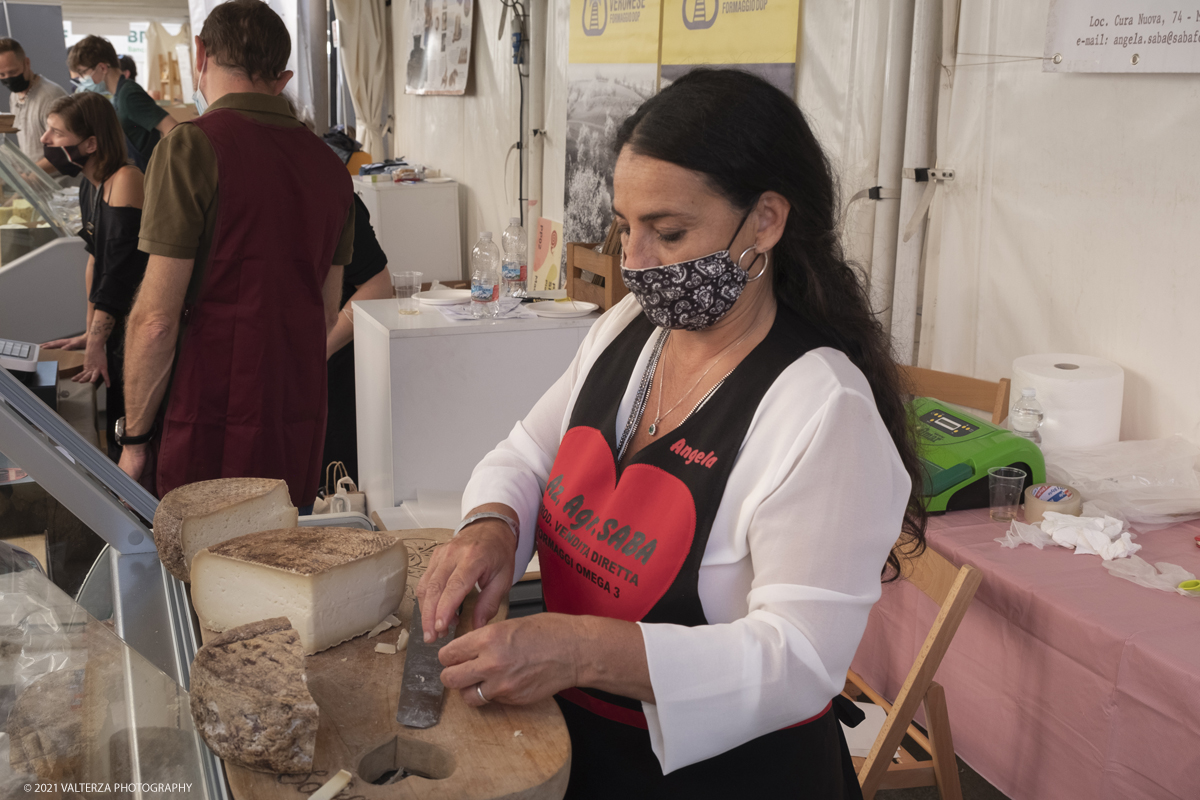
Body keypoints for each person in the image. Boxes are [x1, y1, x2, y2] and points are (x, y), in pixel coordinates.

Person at [417, 69, 928, 799]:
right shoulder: (631, 331)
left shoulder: (821, 409)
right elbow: (530, 453)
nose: (634, 261)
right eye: (626, 225)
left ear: (766, 221)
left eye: (669, 232)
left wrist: (579, 649)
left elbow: (799, 659)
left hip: (732, 778)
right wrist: (493, 526)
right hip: (576, 747)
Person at [118, 0, 354, 510]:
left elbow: (156, 320)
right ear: (283, 76)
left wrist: (133, 439)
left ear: (200, 53)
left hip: (206, 411)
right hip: (295, 414)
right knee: (277, 569)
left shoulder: (191, 148)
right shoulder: (331, 167)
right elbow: (325, 312)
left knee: (200, 572)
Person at [38, 93, 148, 462]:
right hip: (114, 322)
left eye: (56, 132)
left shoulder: (126, 180)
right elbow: (95, 261)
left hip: (136, 326)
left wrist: (98, 343)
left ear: (91, 143)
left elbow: (117, 274)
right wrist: (90, 333)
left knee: (131, 428)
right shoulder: (91, 181)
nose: (45, 140)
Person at [323, 192, 391, 485]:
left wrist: (319, 351)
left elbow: (378, 284)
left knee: (333, 487)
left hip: (330, 373)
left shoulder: (332, 192)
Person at [67, 35, 176, 165]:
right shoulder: (118, 95)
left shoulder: (129, 94)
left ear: (102, 68)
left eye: (82, 73)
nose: (81, 79)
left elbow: (173, 129)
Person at [0, 38, 69, 173]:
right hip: (38, 185)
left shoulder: (51, 97)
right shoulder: (14, 96)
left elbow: (65, 149)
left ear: (27, 63)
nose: (8, 78)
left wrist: (31, 176)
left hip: (60, 186)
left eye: (13, 72)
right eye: (2, 74)